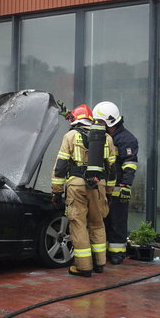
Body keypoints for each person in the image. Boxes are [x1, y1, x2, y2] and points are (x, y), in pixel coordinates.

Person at [51, 104, 117, 277]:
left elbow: (60, 167)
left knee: (78, 224)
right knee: (97, 223)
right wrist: (108, 192)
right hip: (99, 185)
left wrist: (57, 192)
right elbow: (112, 169)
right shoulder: (107, 138)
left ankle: (83, 267)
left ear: (76, 120)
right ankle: (100, 264)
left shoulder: (70, 136)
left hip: (77, 185)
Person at [93, 101, 139, 264]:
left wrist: (126, 184)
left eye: (99, 121)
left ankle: (117, 253)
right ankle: (102, 251)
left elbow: (130, 163)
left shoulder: (127, 139)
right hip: (102, 187)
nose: (96, 125)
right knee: (102, 220)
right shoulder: (103, 136)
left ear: (108, 121)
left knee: (117, 221)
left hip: (118, 187)